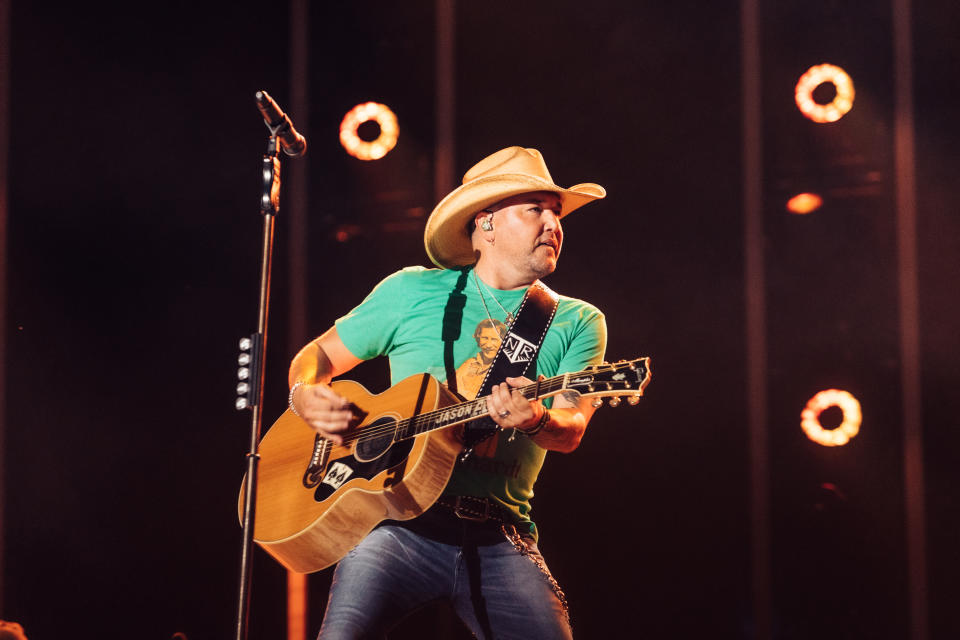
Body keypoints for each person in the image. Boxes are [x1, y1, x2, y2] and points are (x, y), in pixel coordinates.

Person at [288, 146, 608, 639]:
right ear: (486, 225)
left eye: (556, 211)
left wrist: (536, 420)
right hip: (396, 525)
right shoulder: (411, 291)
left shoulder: (577, 320)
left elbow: (571, 431)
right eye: (535, 209)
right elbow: (317, 357)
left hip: (500, 534)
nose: (553, 223)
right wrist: (305, 392)